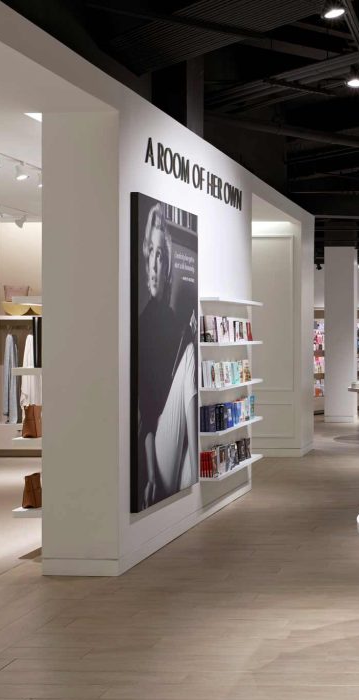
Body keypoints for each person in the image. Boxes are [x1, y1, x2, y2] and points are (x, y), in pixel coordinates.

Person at [136, 202, 198, 511]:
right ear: (147, 260)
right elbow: (147, 418)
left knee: (191, 472)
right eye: (153, 255)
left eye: (163, 256)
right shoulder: (145, 324)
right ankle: (200, 458)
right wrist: (150, 476)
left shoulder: (174, 322)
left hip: (176, 442)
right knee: (190, 357)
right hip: (158, 447)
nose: (157, 264)